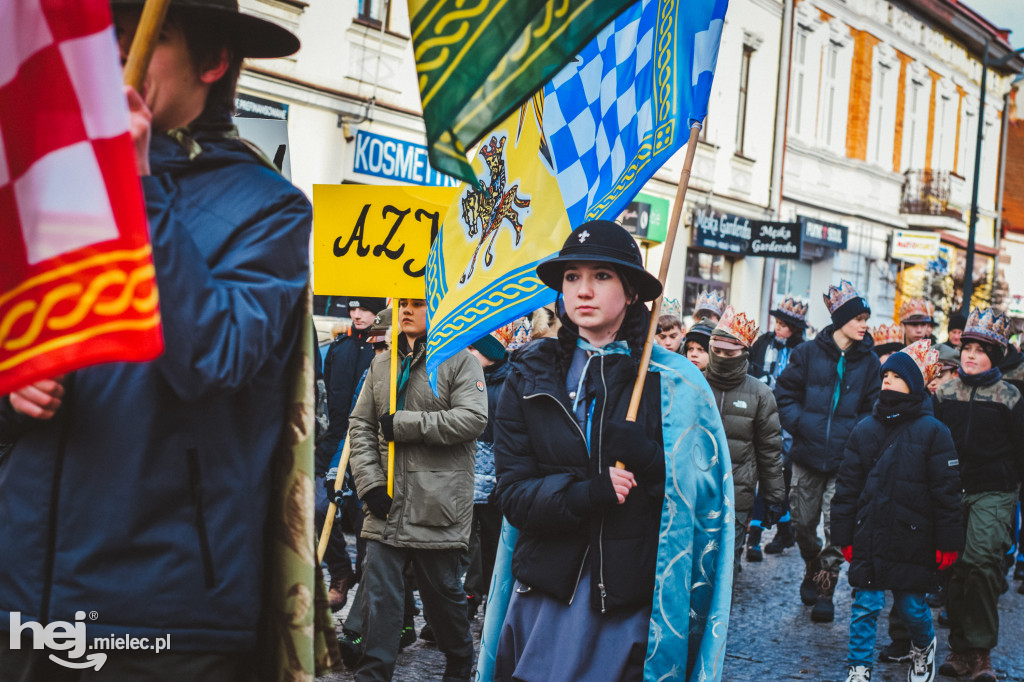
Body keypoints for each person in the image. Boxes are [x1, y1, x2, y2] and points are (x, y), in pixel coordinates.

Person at [0, 2, 308, 677]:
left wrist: (135, 188)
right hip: (23, 599)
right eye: (100, 30)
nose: (112, 49)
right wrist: (12, 382)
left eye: (143, 34)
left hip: (162, 616)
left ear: (213, 61)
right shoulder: (55, 181)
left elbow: (213, 358)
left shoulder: (270, 207)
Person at [489, 220, 732, 681]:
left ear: (632, 291)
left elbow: (704, 505)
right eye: (572, 277)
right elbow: (514, 494)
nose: (584, 290)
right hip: (545, 593)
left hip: (626, 601)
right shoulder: (528, 374)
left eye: (602, 276)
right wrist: (585, 494)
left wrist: (650, 459)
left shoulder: (675, 382)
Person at [347, 298, 487, 682]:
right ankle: (372, 673)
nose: (407, 310)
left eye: (418, 304)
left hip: (436, 505)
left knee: (443, 598)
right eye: (403, 303)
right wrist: (371, 483)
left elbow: (473, 418)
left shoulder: (459, 359)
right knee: (380, 599)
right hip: (385, 507)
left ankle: (459, 660)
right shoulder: (381, 363)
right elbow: (359, 426)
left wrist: (407, 424)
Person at [832, 340, 963, 682]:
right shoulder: (864, 430)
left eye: (896, 374)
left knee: (912, 608)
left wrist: (948, 543)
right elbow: (846, 489)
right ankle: (858, 667)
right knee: (865, 607)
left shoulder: (935, 433)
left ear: (915, 383)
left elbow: (946, 495)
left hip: (913, 540)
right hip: (871, 536)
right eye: (885, 373)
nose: (887, 378)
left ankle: (923, 647)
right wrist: (843, 535)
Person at [776, 280, 881, 623]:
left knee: (837, 528)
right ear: (840, 320)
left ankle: (826, 587)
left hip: (845, 461)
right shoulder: (805, 354)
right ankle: (812, 563)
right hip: (806, 456)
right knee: (803, 524)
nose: (865, 324)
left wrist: (855, 437)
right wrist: (802, 424)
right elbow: (785, 395)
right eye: (859, 318)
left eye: (866, 318)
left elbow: (873, 408)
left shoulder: (871, 363)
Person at [934, 308, 1024, 682]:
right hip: (952, 490)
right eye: (967, 347)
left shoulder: (1010, 397)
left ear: (995, 356)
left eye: (980, 349)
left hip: (994, 492)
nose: (970, 355)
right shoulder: (943, 392)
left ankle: (981, 652)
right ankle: (959, 648)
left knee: (982, 562)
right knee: (955, 568)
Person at [318, 296, 387, 610]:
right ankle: (339, 572)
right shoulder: (337, 349)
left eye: (364, 309)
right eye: (353, 309)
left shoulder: (383, 353)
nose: (357, 315)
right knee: (318, 509)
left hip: (368, 448)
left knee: (365, 520)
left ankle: (365, 594)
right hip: (333, 445)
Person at [704, 307, 786, 569]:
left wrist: (775, 496)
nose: (721, 357)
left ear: (743, 354)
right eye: (716, 351)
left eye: (729, 353)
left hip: (736, 497)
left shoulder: (761, 395)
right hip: (694, 492)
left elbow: (770, 450)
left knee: (725, 567)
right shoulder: (694, 383)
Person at [463, 332, 512, 618]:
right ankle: (467, 597)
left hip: (496, 477)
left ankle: (493, 603)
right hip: (466, 473)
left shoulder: (508, 384)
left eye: (472, 348)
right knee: (466, 542)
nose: (467, 353)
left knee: (494, 541)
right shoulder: (466, 379)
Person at [748, 296, 807, 388]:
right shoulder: (764, 341)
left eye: (782, 325)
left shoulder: (802, 349)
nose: (777, 328)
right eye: (776, 322)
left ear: (794, 328)